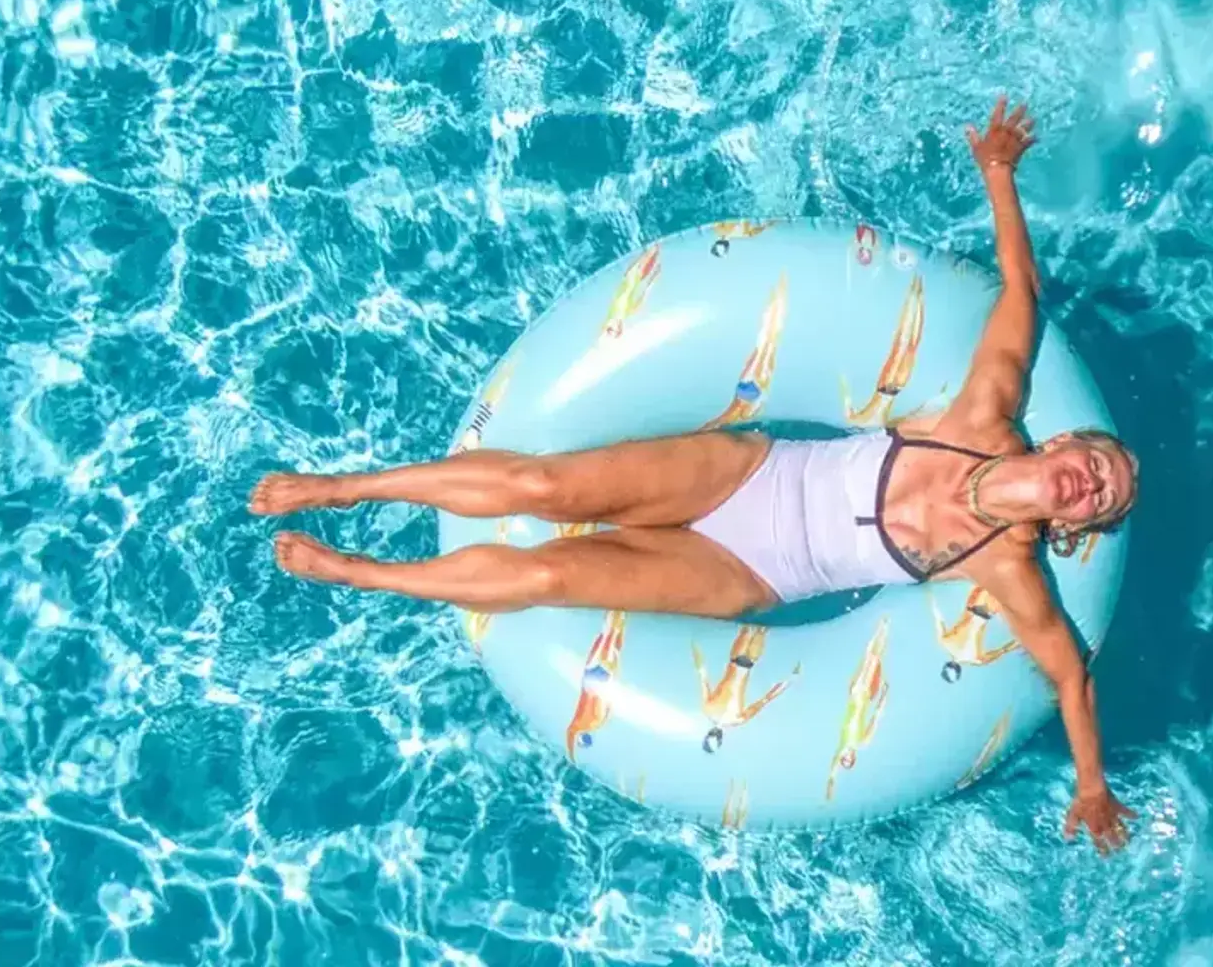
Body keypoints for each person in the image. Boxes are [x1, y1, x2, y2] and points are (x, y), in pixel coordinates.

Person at [249, 98, 1140, 853]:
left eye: (1103, 501)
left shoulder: (1006, 565)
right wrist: (997, 172)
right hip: (738, 477)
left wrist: (1092, 786)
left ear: (1073, 527)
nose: (1093, 484)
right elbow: (1020, 296)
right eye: (1098, 465)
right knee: (543, 489)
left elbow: (1070, 675)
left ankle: (364, 574)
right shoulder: (982, 415)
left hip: (753, 577)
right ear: (1064, 446)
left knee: (550, 576)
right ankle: (342, 486)